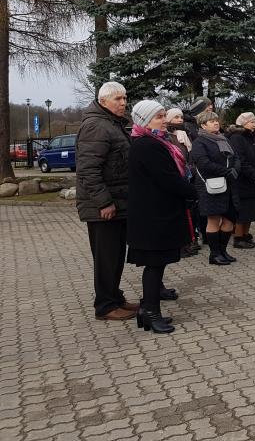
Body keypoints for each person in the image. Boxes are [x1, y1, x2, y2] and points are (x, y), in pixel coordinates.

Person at [127, 101, 197, 334]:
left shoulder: (155, 142)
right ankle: (150, 312)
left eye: (164, 114)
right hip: (153, 215)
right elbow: (167, 178)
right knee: (154, 264)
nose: (164, 119)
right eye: (159, 116)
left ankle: (149, 309)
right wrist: (191, 191)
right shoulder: (147, 145)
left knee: (158, 263)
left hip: (158, 211)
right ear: (145, 120)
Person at [76, 81, 137, 321]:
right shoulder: (96, 126)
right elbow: (88, 171)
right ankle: (105, 305)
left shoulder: (112, 124)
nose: (123, 103)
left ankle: (115, 296)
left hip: (119, 203)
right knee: (106, 257)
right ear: (103, 102)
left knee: (115, 255)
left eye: (124, 98)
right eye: (118, 99)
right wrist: (104, 202)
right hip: (103, 207)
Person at [190, 111, 241, 265]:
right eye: (211, 121)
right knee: (214, 220)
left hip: (229, 184)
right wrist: (226, 171)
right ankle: (214, 254)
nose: (215, 123)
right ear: (203, 125)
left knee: (229, 220)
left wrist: (236, 170)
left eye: (216, 120)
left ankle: (223, 251)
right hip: (211, 186)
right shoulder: (200, 142)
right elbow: (203, 163)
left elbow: (235, 157)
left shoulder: (224, 139)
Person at [227, 112, 255, 249]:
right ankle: (238, 237)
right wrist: (253, 174)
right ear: (243, 123)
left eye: (254, 121)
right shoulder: (237, 138)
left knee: (251, 210)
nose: (254, 124)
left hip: (253, 180)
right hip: (243, 180)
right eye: (251, 122)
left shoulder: (252, 137)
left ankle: (246, 235)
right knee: (243, 211)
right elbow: (240, 160)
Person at [165, 108, 198, 257]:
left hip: (187, 174)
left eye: (181, 117)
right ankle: (181, 245)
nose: (180, 120)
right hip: (175, 176)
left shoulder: (186, 133)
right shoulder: (167, 137)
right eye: (176, 117)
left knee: (189, 211)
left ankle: (189, 241)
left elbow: (189, 153)